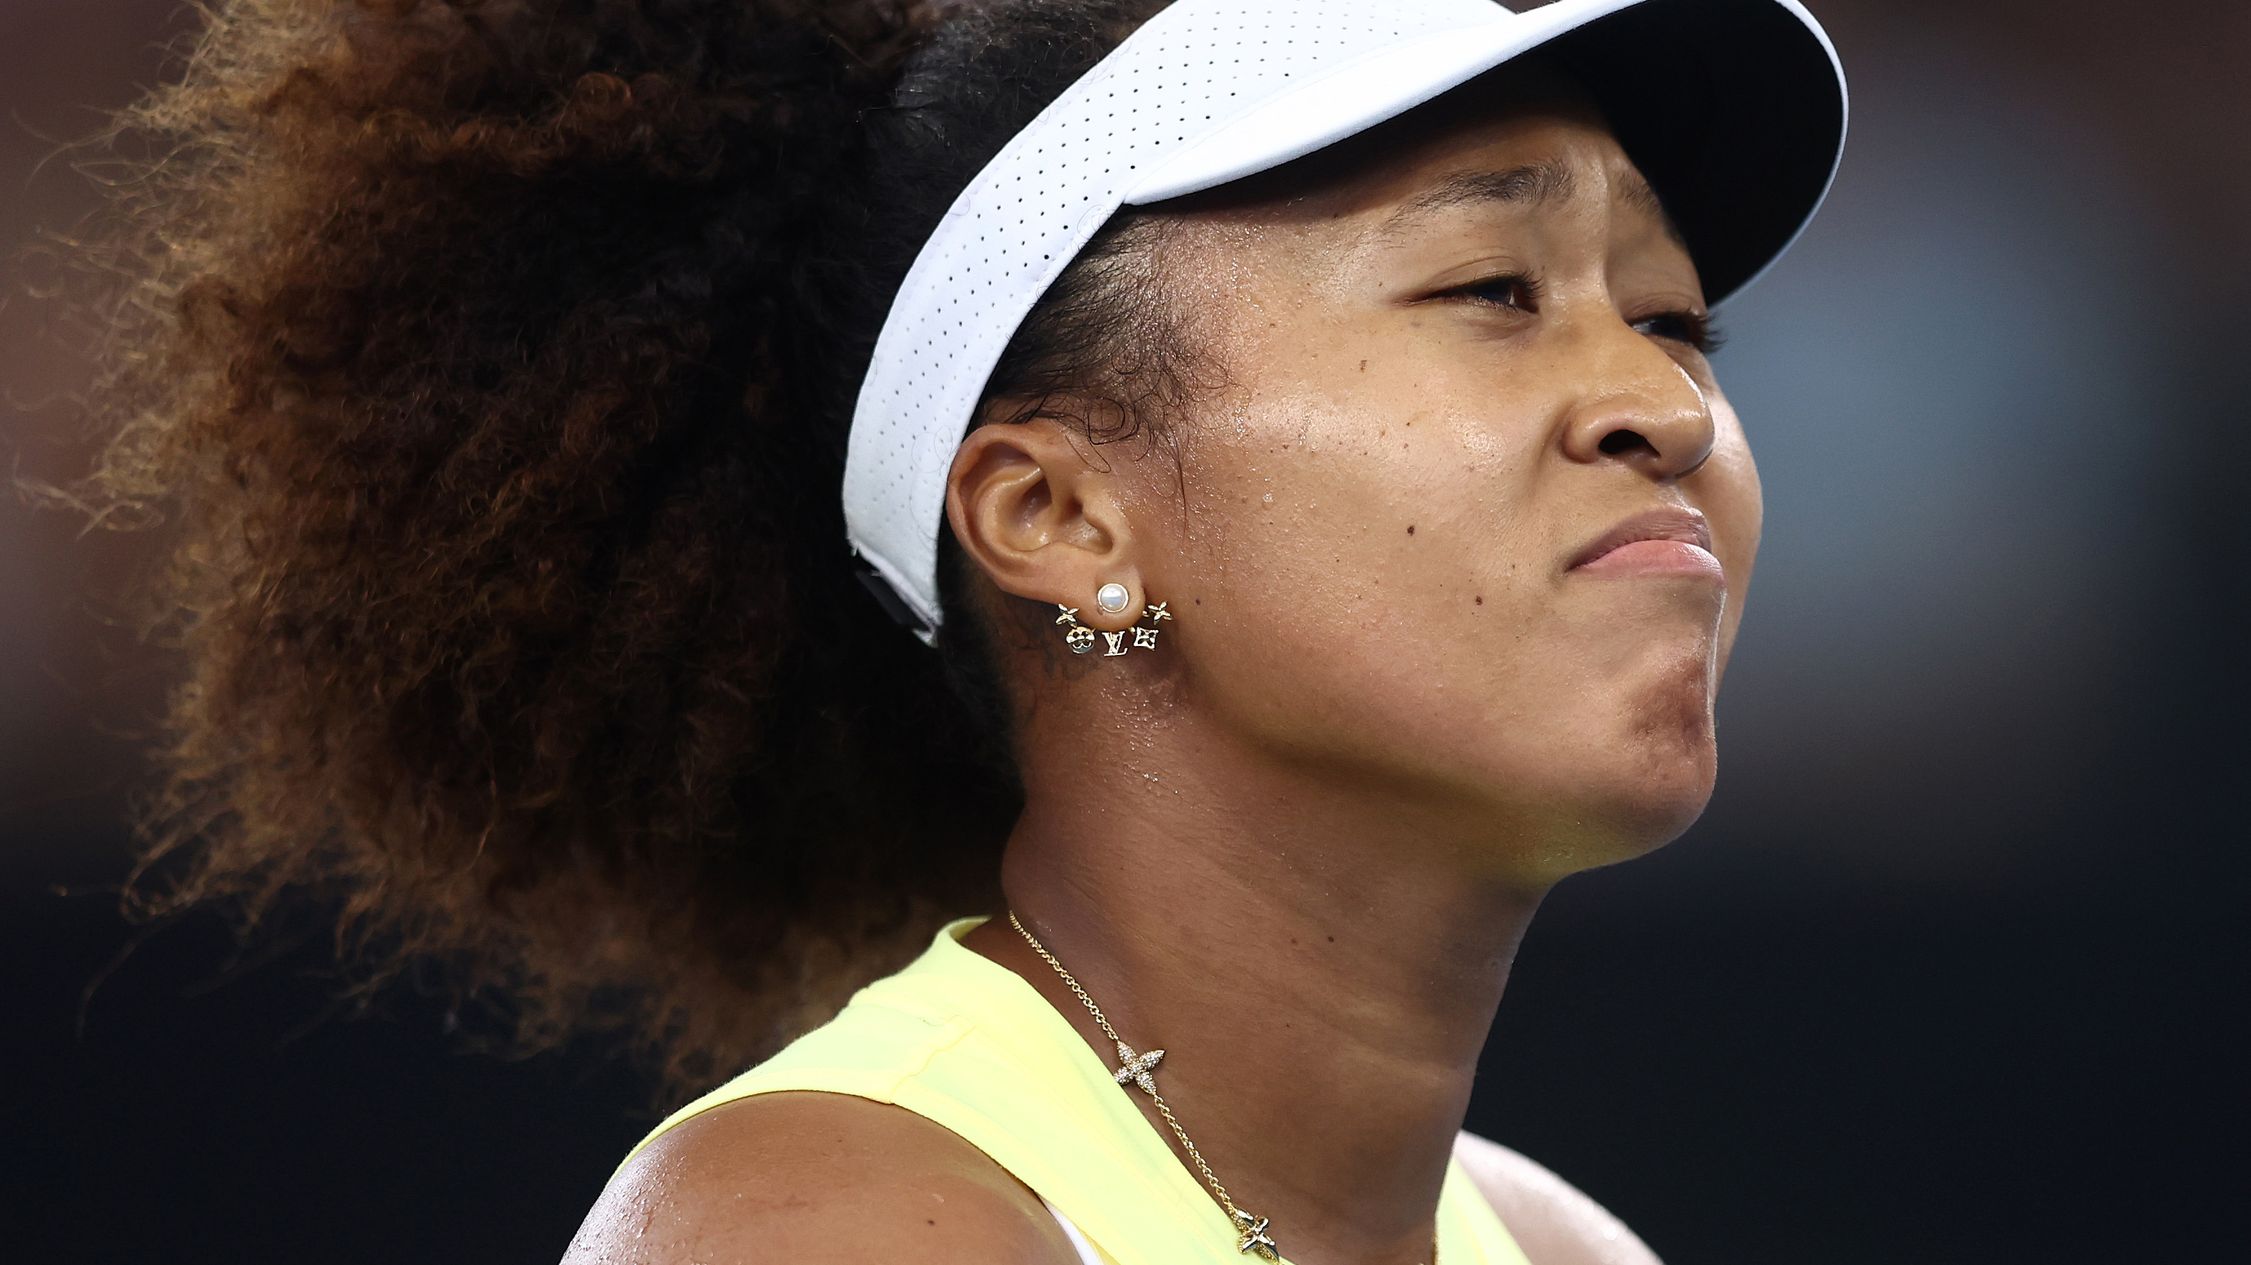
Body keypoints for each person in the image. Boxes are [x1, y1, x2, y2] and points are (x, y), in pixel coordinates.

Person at [71, 0, 1844, 1261]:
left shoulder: (1556, 1247)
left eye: (1680, 319)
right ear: (1058, 519)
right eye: (1491, 292)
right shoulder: (829, 1231)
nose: (1663, 406)